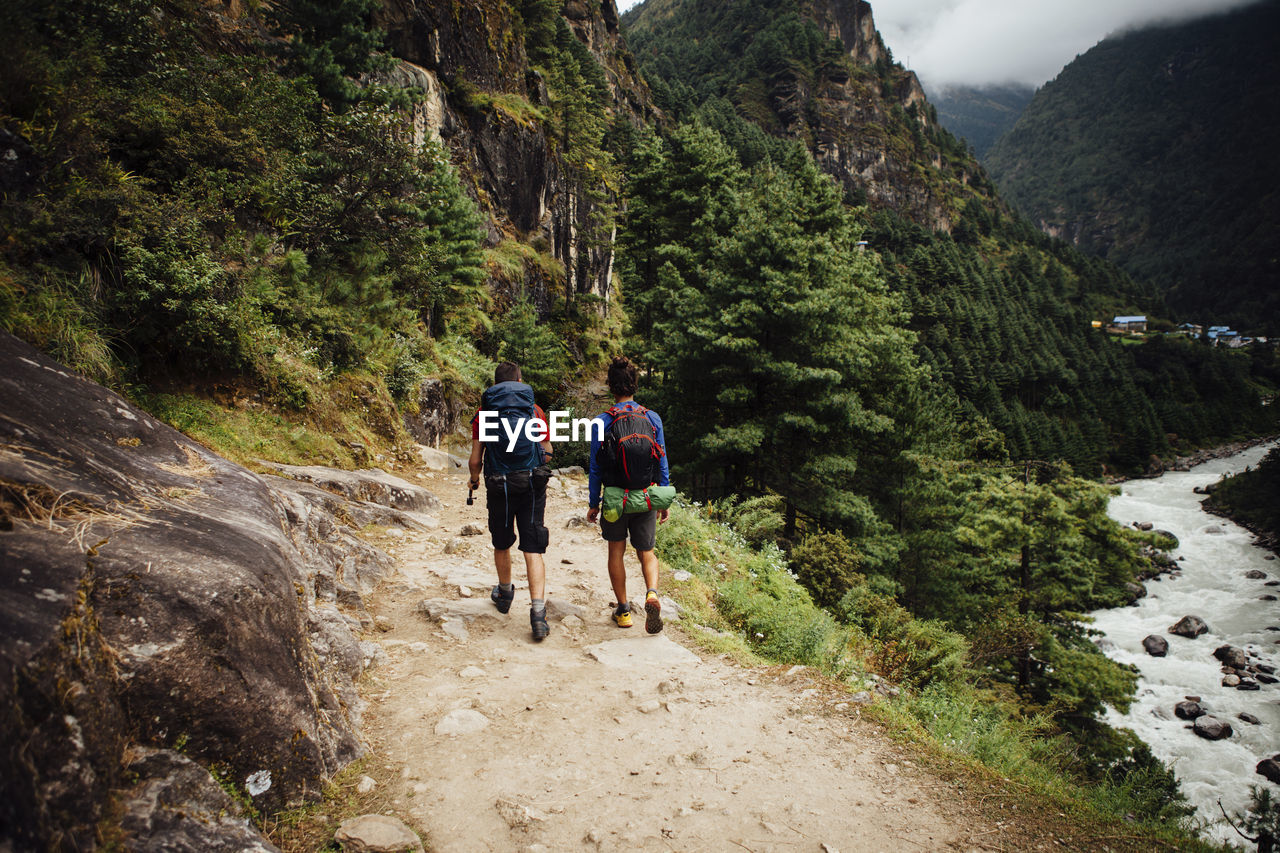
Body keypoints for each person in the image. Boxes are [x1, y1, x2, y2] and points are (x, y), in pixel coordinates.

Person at [469, 362, 554, 641]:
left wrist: (475, 479)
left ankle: (505, 593)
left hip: (499, 484)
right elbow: (548, 451)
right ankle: (538, 613)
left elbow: (475, 459)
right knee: (532, 547)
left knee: (502, 540)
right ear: (519, 380)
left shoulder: (484, 414)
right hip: (531, 483)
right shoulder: (534, 410)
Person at [586, 356, 670, 634]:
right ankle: (652, 594)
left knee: (616, 550)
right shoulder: (651, 418)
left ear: (611, 386)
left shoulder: (601, 421)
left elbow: (596, 467)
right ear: (635, 384)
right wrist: (663, 499)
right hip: (645, 495)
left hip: (614, 498)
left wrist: (593, 503)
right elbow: (661, 460)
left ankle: (623, 610)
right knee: (647, 552)